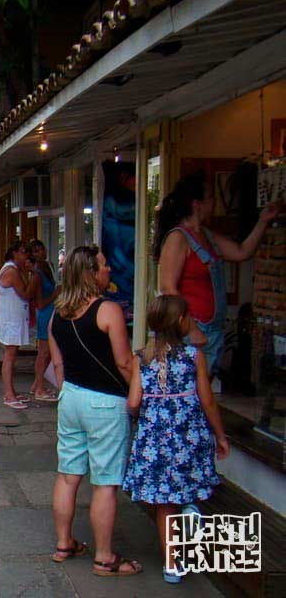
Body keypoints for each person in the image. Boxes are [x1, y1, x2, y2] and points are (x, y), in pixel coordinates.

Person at [121, 295, 229, 584]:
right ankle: (190, 513)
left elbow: (133, 402)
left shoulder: (141, 357)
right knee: (188, 486)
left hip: (154, 439)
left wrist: (144, 409)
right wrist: (220, 435)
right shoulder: (194, 356)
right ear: (180, 321)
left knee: (162, 502)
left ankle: (171, 565)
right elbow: (207, 400)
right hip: (188, 436)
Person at [48, 245, 140, 578]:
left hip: (70, 398)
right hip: (105, 401)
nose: (109, 270)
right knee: (105, 483)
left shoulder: (58, 312)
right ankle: (104, 558)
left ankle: (63, 544)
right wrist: (139, 394)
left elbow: (58, 363)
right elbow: (124, 362)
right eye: (102, 266)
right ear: (89, 272)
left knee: (68, 475)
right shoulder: (107, 310)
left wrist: (69, 393)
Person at [155, 172, 282, 375]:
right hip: (192, 329)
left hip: (212, 329)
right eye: (211, 198)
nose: (214, 203)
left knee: (203, 388)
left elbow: (242, 252)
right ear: (197, 204)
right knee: (192, 390)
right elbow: (167, 287)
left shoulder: (206, 235)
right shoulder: (178, 238)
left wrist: (263, 221)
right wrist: (192, 328)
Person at [0, 240, 37, 408]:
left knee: (12, 356)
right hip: (11, 320)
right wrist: (34, 275)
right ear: (14, 253)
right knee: (10, 357)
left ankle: (11, 391)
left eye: (27, 251)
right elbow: (26, 294)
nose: (26, 254)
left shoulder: (13, 270)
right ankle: (8, 394)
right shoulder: (12, 271)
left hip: (13, 319)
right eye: (23, 251)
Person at [30, 239, 60, 401]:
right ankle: (39, 387)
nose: (41, 253)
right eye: (36, 251)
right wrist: (55, 294)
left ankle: (37, 383)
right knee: (44, 352)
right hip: (45, 313)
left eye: (41, 249)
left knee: (49, 352)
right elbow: (40, 303)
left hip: (54, 311)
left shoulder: (50, 266)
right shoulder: (37, 274)